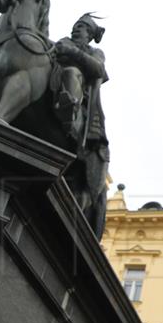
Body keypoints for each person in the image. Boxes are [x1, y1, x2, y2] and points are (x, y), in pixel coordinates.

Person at [51, 13, 110, 238]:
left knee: (72, 72)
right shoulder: (63, 42)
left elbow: (98, 70)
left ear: (90, 34)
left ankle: (70, 114)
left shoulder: (95, 52)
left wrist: (75, 54)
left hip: (82, 104)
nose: (77, 30)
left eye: (83, 28)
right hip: (52, 86)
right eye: (76, 26)